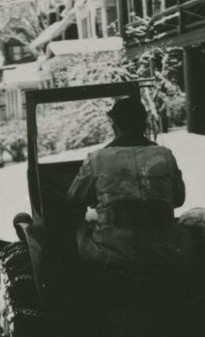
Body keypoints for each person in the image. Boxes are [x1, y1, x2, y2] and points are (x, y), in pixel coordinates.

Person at [66, 97, 192, 270]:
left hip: (112, 252)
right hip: (166, 249)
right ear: (144, 124)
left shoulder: (97, 159)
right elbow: (178, 199)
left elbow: (74, 198)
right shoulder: (165, 156)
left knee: (80, 228)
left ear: (114, 125)